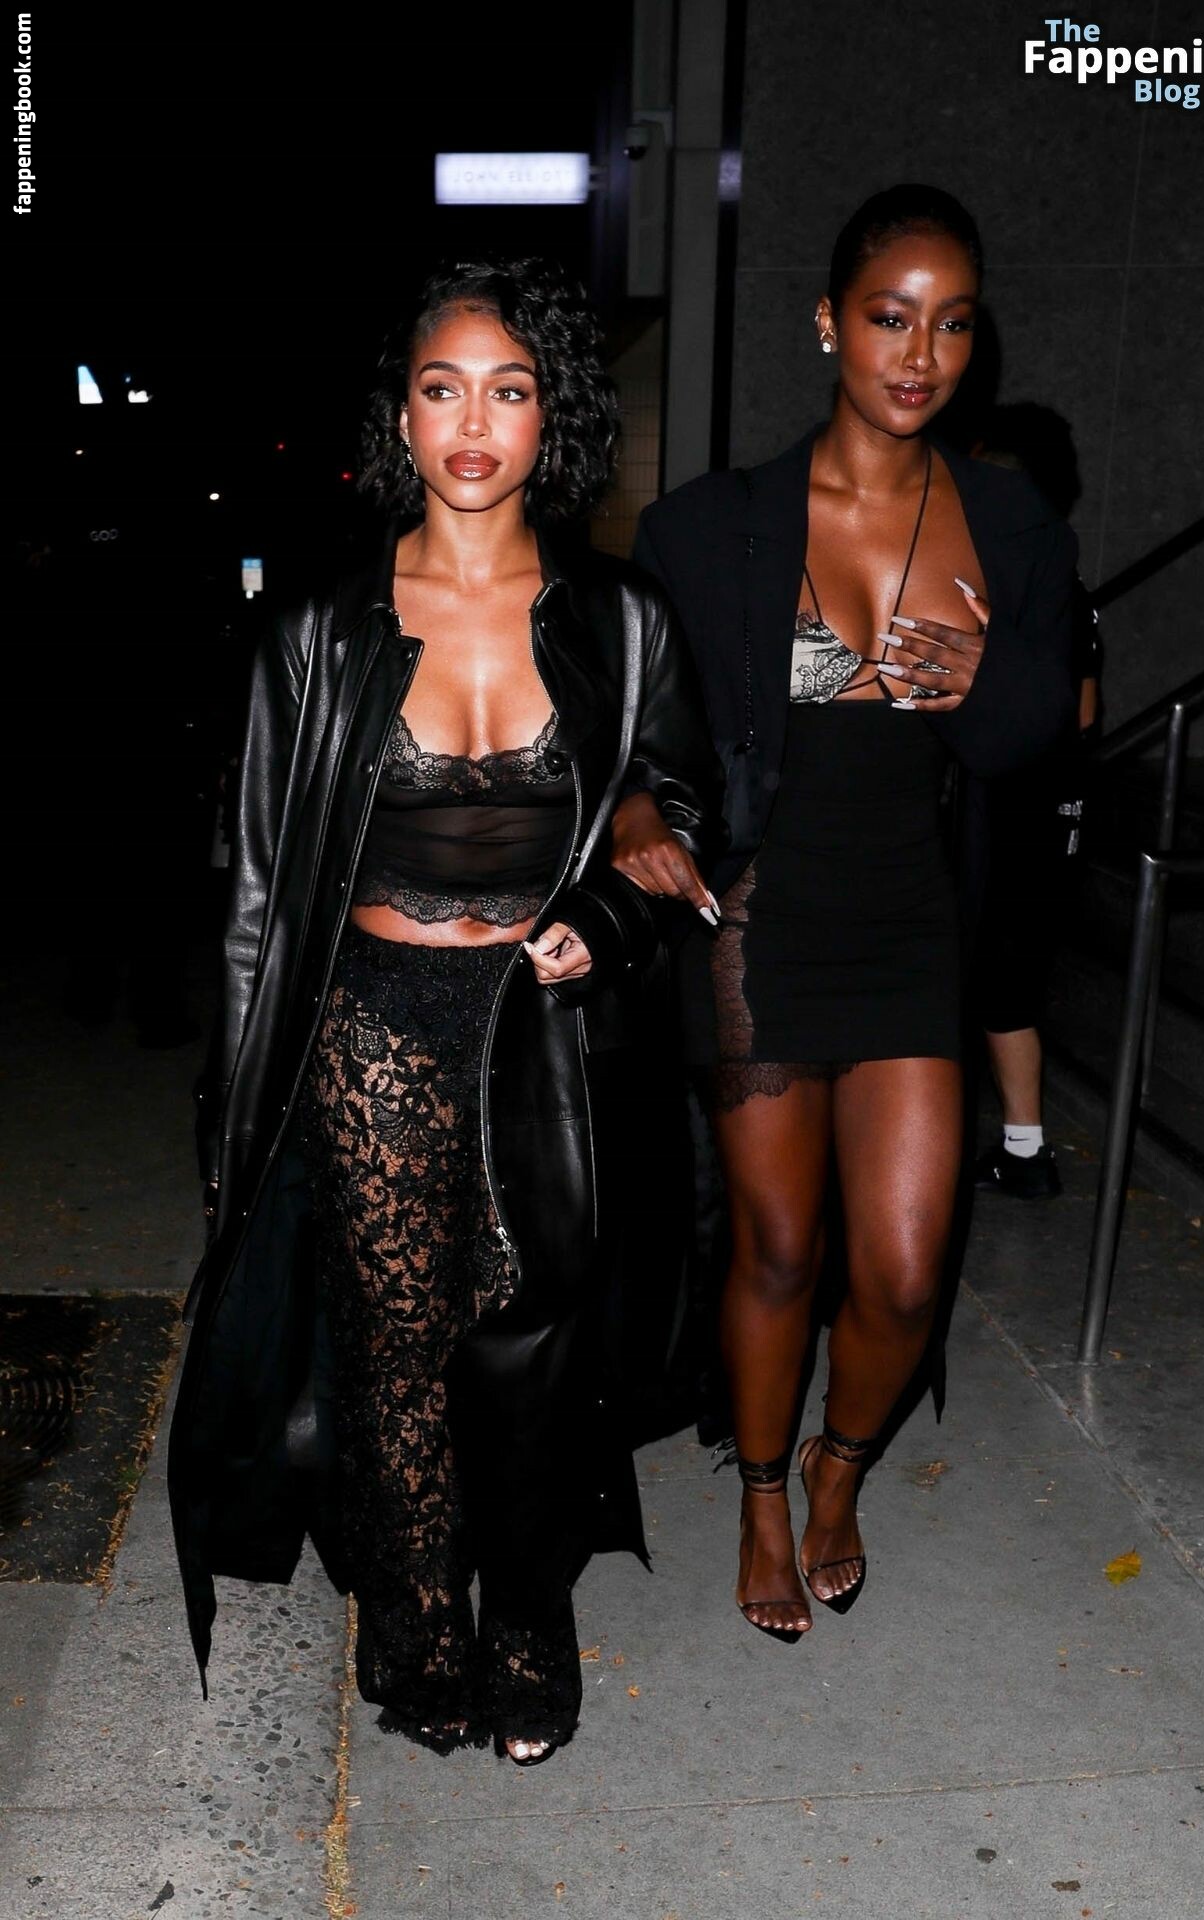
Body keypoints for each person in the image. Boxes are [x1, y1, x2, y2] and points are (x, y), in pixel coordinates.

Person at [168, 259, 722, 1764]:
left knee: (533, 1343)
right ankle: (417, 1628)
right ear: (400, 416)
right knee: (396, 1347)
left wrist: (612, 908)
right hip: (370, 1021)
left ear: (554, 416)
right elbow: (255, 890)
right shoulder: (317, 628)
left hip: (543, 1032)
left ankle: (528, 1620)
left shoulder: (621, 618)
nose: (473, 424)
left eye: (509, 390)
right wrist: (233, 1112)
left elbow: (681, 810)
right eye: (441, 388)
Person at [633, 185, 1077, 1639]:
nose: (918, 353)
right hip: (757, 925)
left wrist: (975, 680)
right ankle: (762, 1495)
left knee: (899, 1266)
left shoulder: (1005, 519)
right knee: (777, 1248)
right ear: (829, 322)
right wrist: (634, 809)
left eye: (951, 325)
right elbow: (637, 713)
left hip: (910, 923)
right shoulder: (714, 527)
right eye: (890, 317)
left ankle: (840, 1466)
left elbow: (1035, 735)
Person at [965, 408, 1103, 1199]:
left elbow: (1075, 712)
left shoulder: (1038, 573)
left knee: (1001, 978)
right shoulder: (1046, 570)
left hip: (1023, 805)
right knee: (1001, 981)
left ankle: (1020, 1150)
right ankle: (1020, 1148)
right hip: (1027, 802)